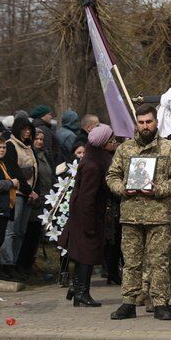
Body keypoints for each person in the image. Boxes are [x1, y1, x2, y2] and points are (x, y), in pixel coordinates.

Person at [107, 104, 171, 321]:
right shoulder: (125, 149)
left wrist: (159, 189)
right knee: (131, 261)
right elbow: (111, 176)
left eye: (149, 121)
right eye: (141, 122)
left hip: (158, 215)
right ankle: (128, 303)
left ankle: (161, 303)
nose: (145, 126)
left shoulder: (169, 148)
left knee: (159, 261)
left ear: (156, 122)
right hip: (131, 215)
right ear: (136, 124)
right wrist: (121, 188)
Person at [59, 124, 118, 307]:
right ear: (102, 143)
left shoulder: (96, 158)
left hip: (88, 216)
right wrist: (89, 224)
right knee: (86, 254)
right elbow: (87, 198)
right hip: (87, 216)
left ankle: (77, 289)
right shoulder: (93, 165)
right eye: (111, 141)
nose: (114, 143)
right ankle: (82, 293)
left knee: (83, 254)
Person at [0, 117, 37, 279]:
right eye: (24, 129)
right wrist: (29, 191)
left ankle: (15, 263)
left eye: (29, 129)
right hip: (19, 194)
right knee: (12, 231)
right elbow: (15, 171)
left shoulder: (29, 147)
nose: (27, 132)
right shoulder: (11, 145)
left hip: (28, 194)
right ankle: (7, 263)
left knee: (21, 232)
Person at [16, 127, 55, 279]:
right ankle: (21, 264)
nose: (39, 141)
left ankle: (28, 264)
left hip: (44, 200)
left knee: (35, 236)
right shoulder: (30, 156)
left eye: (41, 139)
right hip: (32, 200)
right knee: (27, 234)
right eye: (36, 139)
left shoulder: (44, 155)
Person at [0, 138, 18, 282]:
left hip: (5, 208)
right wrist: (11, 183)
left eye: (4, 147)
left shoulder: (2, 163)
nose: (2, 150)